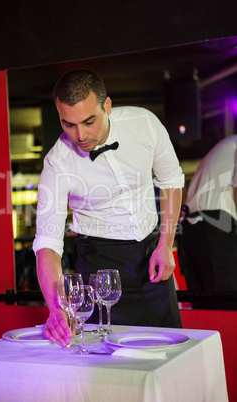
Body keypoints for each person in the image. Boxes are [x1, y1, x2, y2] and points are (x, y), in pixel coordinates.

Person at [33, 69, 184, 346]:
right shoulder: (57, 163)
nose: (80, 135)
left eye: (89, 121)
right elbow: (47, 243)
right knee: (104, 363)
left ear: (108, 106)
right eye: (68, 124)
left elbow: (171, 179)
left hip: (152, 257)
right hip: (99, 267)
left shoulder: (144, 124)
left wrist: (166, 243)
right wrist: (56, 306)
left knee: (168, 352)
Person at [178, 135, 237, 302]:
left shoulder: (227, 144)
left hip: (196, 227)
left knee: (205, 303)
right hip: (215, 224)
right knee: (226, 303)